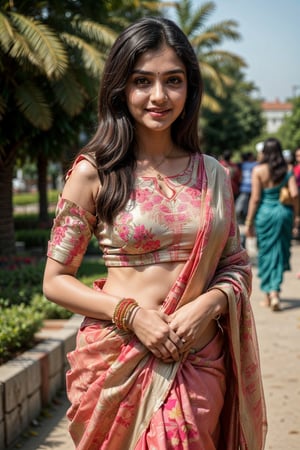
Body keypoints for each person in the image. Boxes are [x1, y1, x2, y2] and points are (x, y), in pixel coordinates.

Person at [43, 17, 267, 449]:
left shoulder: (213, 175)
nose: (159, 96)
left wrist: (206, 307)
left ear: (190, 88)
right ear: (120, 89)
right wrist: (133, 315)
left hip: (198, 362)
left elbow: (236, 267)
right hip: (117, 363)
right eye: (142, 81)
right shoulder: (95, 174)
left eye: (173, 81)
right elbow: (55, 282)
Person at [245, 137, 299, 311]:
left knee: (266, 253)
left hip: (265, 215)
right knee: (280, 252)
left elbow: (255, 198)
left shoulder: (258, 170)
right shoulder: (288, 169)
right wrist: (297, 216)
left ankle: (269, 293)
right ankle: (275, 291)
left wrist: (249, 222)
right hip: (284, 214)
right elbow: (295, 194)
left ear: (264, 152)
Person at [235, 151, 258, 224]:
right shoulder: (254, 164)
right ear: (250, 157)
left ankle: (243, 219)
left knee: (242, 205)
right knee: (249, 205)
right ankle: (248, 219)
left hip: (244, 188)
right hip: (252, 188)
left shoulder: (242, 165)